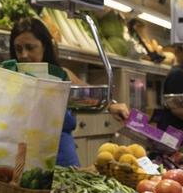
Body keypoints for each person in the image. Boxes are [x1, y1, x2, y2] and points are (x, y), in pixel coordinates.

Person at [9, 19, 129, 167]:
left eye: (30, 47)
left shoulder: (62, 76)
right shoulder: (10, 79)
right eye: (18, 49)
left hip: (63, 159)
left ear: (44, 46)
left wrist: (111, 105)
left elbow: (90, 95)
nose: (24, 55)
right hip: (25, 159)